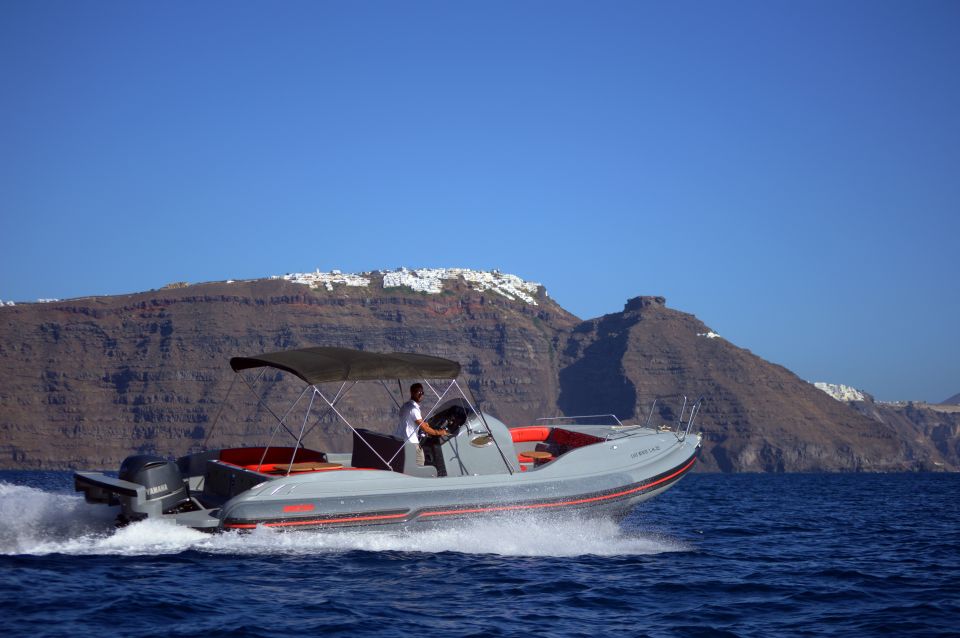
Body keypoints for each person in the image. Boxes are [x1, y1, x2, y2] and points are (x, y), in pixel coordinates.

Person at [396, 383, 449, 467]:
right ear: (412, 392)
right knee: (420, 462)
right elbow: (424, 428)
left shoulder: (405, 406)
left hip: (400, 442)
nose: (421, 394)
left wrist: (425, 424)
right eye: (418, 392)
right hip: (411, 444)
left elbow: (411, 422)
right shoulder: (413, 409)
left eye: (422, 392)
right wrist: (440, 432)